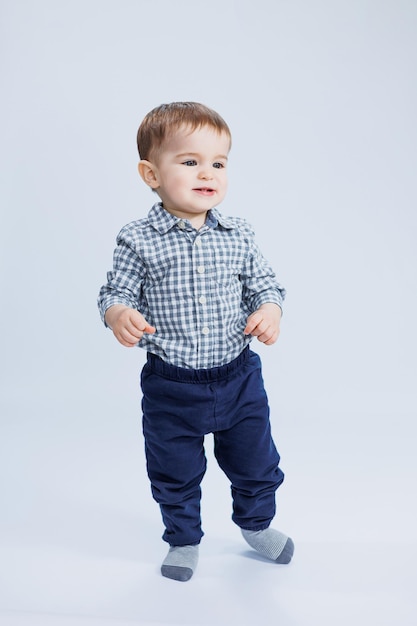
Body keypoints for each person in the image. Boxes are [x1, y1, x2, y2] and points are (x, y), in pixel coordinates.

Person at [98, 101, 294, 582]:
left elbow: (265, 284)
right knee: (174, 471)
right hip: (172, 387)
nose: (208, 172)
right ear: (151, 173)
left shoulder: (238, 233)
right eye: (190, 161)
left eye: (219, 163)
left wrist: (269, 309)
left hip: (238, 378)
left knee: (257, 462)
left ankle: (255, 524)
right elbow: (115, 291)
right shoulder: (138, 239)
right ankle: (183, 539)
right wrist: (119, 313)